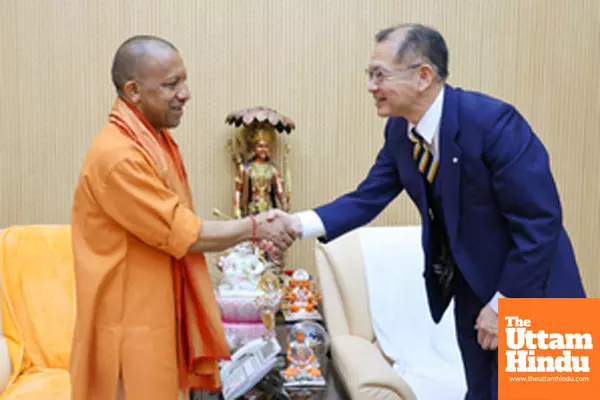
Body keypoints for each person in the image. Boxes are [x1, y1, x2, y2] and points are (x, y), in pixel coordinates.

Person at [275, 23, 586, 399]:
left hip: (536, 288)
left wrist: (506, 304)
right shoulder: (399, 134)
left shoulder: (493, 123)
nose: (371, 86)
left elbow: (540, 221)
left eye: (379, 75)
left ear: (423, 76)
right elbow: (366, 198)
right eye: (369, 75)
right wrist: (295, 224)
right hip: (473, 292)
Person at [69, 35, 295, 400]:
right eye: (171, 84)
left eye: (183, 81)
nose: (185, 93)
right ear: (134, 90)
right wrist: (255, 226)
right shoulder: (119, 156)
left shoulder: (152, 141)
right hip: (128, 325)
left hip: (153, 312)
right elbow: (183, 233)